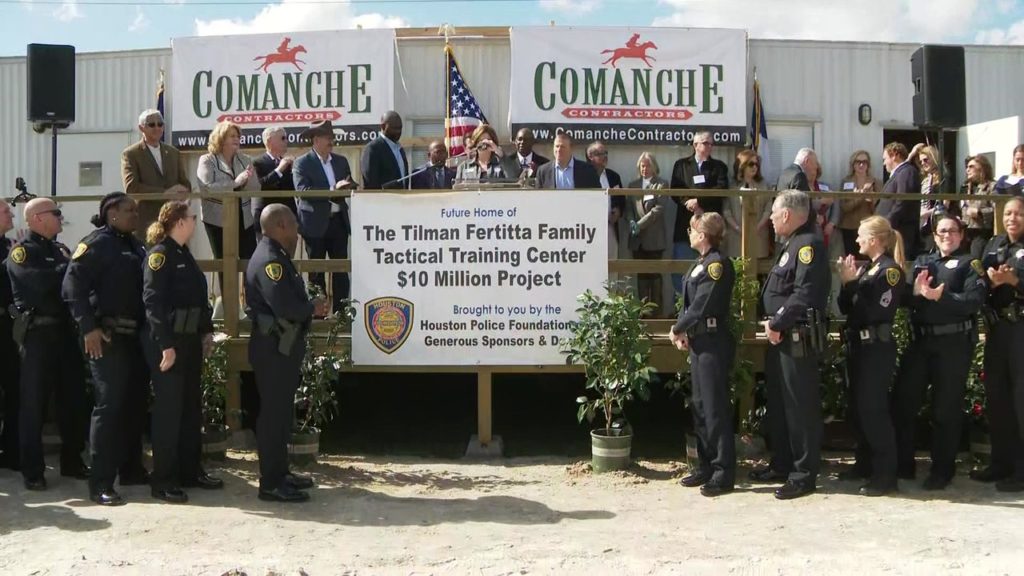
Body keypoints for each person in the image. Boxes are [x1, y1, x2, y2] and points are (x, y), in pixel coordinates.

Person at [63, 192, 149, 506]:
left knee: (135, 405)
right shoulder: (96, 243)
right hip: (107, 338)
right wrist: (88, 328)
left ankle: (131, 469)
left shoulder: (136, 245)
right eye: (129, 211)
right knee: (109, 407)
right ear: (111, 213)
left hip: (136, 338)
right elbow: (73, 287)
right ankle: (100, 481)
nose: (135, 216)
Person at [892, 214, 984, 491]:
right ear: (934, 235)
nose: (947, 235)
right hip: (921, 342)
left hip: (953, 343)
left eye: (952, 231)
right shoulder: (923, 262)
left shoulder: (970, 264)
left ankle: (942, 470)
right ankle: (903, 464)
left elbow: (973, 301)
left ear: (961, 234)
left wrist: (940, 297)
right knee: (904, 401)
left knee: (945, 410)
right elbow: (906, 299)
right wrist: (918, 294)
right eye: (941, 231)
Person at [142, 201, 223, 504]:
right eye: (191, 217)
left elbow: (199, 299)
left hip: (189, 340)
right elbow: (153, 304)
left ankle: (191, 471)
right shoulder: (160, 256)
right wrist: (165, 345)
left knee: (191, 409)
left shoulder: (183, 254)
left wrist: (206, 332)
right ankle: (163, 480)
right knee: (169, 412)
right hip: (171, 342)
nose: (194, 221)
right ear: (178, 222)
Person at [6, 198, 90, 490]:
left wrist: (66, 271)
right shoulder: (21, 253)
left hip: (65, 335)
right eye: (56, 213)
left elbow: (74, 287)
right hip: (38, 335)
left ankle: (72, 460)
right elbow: (40, 287)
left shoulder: (59, 250)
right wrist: (67, 271)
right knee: (34, 405)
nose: (60, 218)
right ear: (38, 218)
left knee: (74, 399)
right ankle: (33, 470)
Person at [751, 190, 829, 500]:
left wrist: (776, 322)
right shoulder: (792, 243)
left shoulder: (808, 244)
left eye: (773, 212)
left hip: (796, 336)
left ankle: (803, 474)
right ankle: (783, 463)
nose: (769, 218)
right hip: (780, 336)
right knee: (781, 406)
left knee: (800, 408)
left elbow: (803, 294)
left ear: (786, 214)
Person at [245, 204, 326, 502]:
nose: (297, 232)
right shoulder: (270, 261)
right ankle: (270, 483)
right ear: (280, 225)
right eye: (293, 225)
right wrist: (312, 309)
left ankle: (281, 473)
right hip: (272, 348)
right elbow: (284, 306)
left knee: (281, 415)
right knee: (273, 416)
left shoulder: (278, 256)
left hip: (281, 347)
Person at [835, 215, 905, 496]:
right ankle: (864, 464)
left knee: (873, 410)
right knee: (858, 408)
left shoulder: (889, 271)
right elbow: (845, 307)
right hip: (859, 346)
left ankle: (886, 475)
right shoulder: (869, 270)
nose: (857, 240)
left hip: (877, 347)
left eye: (861, 235)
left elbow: (873, 312)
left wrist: (853, 286)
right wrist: (847, 282)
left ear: (875, 240)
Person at [669, 212, 736, 497]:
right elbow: (688, 304)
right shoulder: (699, 264)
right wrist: (686, 332)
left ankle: (723, 471)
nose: (690, 232)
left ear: (704, 234)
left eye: (693, 229)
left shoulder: (717, 265)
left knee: (714, 406)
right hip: (699, 340)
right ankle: (705, 464)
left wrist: (677, 329)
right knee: (699, 404)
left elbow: (701, 305)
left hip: (713, 340)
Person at [975, 196, 1024, 491]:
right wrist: (990, 281)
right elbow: (980, 276)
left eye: (1018, 213)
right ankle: (1001, 462)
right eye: (1008, 213)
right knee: (998, 398)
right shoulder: (995, 245)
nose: (1012, 218)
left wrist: (1015, 282)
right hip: (998, 328)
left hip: (1021, 328)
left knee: (1021, 401)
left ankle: (1021, 470)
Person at [292, 120, 357, 311]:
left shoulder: (341, 161)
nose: (331, 141)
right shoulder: (301, 163)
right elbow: (303, 190)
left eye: (332, 137)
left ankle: (341, 313)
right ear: (316, 139)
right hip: (314, 224)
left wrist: (349, 186)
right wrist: (332, 190)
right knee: (316, 271)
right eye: (328, 137)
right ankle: (318, 313)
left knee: (341, 270)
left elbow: (348, 182)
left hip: (338, 222)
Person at [196, 121, 259, 278]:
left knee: (249, 262)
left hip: (244, 218)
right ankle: (228, 302)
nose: (237, 139)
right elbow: (207, 188)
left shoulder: (245, 159)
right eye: (232, 136)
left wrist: (248, 180)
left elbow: (256, 188)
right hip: (217, 220)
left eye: (238, 136)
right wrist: (236, 183)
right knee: (224, 264)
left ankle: (250, 301)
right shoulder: (207, 160)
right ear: (221, 138)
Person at [120, 108, 192, 240]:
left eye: (160, 124)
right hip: (147, 222)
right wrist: (165, 193)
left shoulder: (173, 152)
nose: (157, 128)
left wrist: (184, 190)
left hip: (174, 222)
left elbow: (184, 182)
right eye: (151, 124)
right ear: (141, 128)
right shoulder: (131, 154)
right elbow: (131, 188)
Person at [670, 132, 729, 280]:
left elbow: (721, 189)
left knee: (709, 272)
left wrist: (699, 202)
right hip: (686, 227)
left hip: (710, 229)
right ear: (695, 145)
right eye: (705, 143)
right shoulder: (681, 165)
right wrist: (688, 203)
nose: (709, 146)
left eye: (711, 143)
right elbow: (675, 190)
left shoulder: (719, 167)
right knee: (682, 272)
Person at [627, 152, 670, 315]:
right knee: (642, 277)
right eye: (642, 166)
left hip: (654, 238)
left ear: (654, 167)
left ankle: (657, 314)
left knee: (655, 276)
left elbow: (658, 209)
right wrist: (632, 222)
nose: (645, 169)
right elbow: (629, 208)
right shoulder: (633, 185)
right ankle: (643, 314)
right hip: (637, 240)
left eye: (648, 165)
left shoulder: (661, 184)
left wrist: (640, 224)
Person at [587, 141, 625, 281]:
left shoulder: (613, 176)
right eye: (601, 154)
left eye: (606, 153)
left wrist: (618, 210)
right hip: (588, 230)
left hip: (610, 228)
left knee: (612, 267)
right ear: (590, 156)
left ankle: (612, 301)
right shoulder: (583, 174)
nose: (605, 157)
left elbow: (621, 199)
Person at [875, 142, 921, 259]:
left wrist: (887, 223)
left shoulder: (906, 172)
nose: (884, 163)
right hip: (892, 231)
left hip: (900, 232)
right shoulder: (900, 173)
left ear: (894, 155)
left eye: (885, 159)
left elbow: (903, 201)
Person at [723, 149, 772, 260]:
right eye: (751, 164)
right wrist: (738, 228)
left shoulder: (764, 185)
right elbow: (726, 211)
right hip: (736, 238)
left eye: (756, 164)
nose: (755, 167)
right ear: (742, 166)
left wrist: (757, 227)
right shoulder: (731, 186)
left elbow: (768, 209)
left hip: (758, 237)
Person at [252, 126, 297, 241]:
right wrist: (279, 170)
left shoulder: (288, 163)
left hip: (286, 219)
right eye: (283, 138)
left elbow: (293, 190)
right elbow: (260, 185)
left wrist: (293, 172)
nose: (286, 141)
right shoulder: (257, 162)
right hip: (266, 220)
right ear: (269, 141)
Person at [0, 199, 19, 471]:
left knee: (16, 388)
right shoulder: (10, 251)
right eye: (5, 211)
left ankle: (11, 450)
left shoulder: (10, 245)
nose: (11, 214)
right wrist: (10, 261)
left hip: (9, 327)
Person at [911, 144, 954, 254]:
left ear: (934, 158)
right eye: (921, 162)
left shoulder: (944, 177)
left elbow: (946, 204)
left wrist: (926, 213)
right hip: (923, 224)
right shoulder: (925, 179)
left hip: (936, 221)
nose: (923, 164)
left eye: (926, 160)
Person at [838, 151, 880, 258]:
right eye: (858, 162)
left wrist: (871, 199)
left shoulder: (875, 182)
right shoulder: (846, 181)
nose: (861, 165)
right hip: (849, 227)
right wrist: (860, 197)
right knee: (851, 259)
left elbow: (879, 208)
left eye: (864, 162)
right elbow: (844, 207)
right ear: (853, 164)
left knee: (867, 259)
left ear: (868, 165)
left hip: (868, 227)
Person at [534, 132, 601, 189]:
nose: (559, 150)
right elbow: (539, 198)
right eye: (557, 146)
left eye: (562, 147)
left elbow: (596, 196)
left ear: (571, 148)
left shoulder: (587, 170)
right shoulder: (543, 171)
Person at [960, 155, 996, 258]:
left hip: (982, 233)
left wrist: (979, 212)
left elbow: (997, 210)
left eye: (971, 166)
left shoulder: (992, 186)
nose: (967, 170)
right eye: (967, 167)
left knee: (975, 262)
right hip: (965, 233)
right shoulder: (966, 187)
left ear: (982, 168)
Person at [361, 111, 408, 189]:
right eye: (395, 128)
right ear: (383, 126)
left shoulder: (400, 149)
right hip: (383, 199)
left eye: (400, 128)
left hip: (401, 199)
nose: (398, 132)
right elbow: (370, 183)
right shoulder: (373, 149)